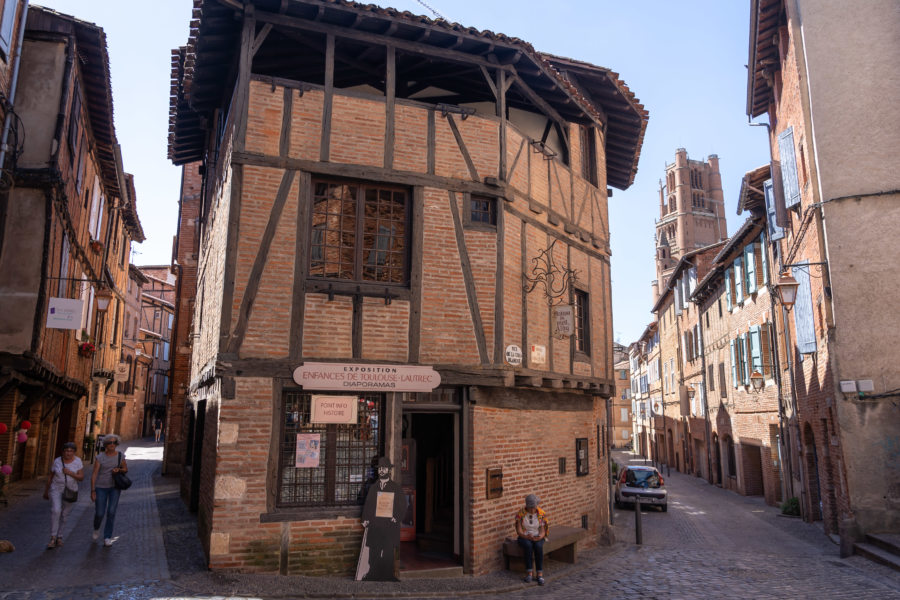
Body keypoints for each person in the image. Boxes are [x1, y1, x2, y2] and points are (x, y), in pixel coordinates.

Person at [358, 456, 404, 581]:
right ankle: (373, 573)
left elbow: (402, 505)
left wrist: (396, 517)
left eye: (384, 468)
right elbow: (368, 504)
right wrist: (365, 519)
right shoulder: (373, 487)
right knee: (374, 550)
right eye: (380, 469)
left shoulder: (396, 488)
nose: (382, 471)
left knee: (388, 550)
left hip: (389, 525)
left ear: (389, 470)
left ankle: (387, 574)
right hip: (376, 524)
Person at [42, 442, 84, 549]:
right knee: (56, 511)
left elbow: (81, 477)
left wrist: (70, 473)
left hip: (70, 490)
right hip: (56, 489)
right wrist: (46, 491)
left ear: (74, 452)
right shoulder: (57, 461)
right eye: (66, 451)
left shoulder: (78, 461)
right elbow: (51, 476)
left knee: (65, 515)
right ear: (63, 452)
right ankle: (52, 537)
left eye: (71, 451)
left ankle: (60, 536)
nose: (68, 453)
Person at [91, 433, 128, 547]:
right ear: (106, 445)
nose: (112, 445)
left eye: (114, 442)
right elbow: (94, 474)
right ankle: (96, 528)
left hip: (115, 488)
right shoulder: (100, 457)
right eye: (109, 443)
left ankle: (107, 536)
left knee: (111, 512)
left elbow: (125, 469)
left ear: (116, 444)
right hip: (101, 487)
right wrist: (92, 490)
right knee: (100, 513)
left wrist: (119, 470)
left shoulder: (120, 456)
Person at [515, 494, 549, 585]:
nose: (533, 509)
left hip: (537, 536)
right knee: (528, 545)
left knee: (538, 546)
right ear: (527, 506)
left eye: (534, 506)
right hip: (524, 536)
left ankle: (539, 574)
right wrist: (527, 537)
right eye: (532, 507)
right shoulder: (521, 514)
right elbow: (519, 531)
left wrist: (539, 537)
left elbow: (543, 530)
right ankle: (529, 573)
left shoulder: (541, 513)